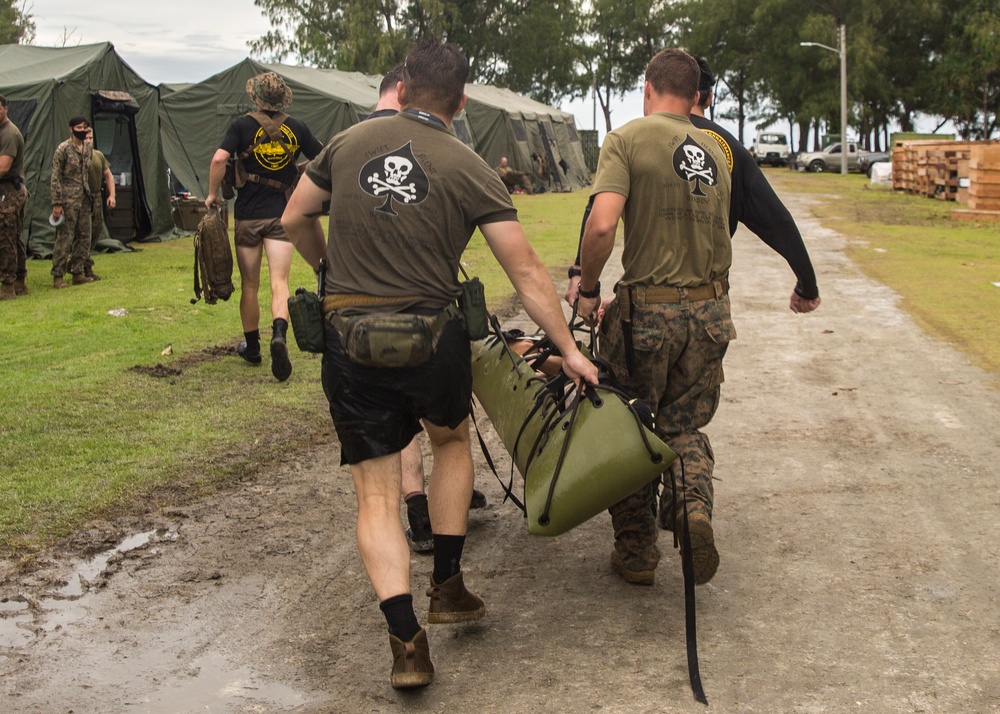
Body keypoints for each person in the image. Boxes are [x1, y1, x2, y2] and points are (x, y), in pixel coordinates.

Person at [281, 38, 598, 690]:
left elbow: (294, 216)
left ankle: (405, 641)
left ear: (400, 90)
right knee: (451, 441)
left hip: (351, 338)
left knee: (375, 493)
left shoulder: (345, 145)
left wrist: (328, 271)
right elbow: (527, 270)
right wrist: (567, 349)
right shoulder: (468, 163)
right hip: (434, 337)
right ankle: (448, 586)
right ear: (459, 100)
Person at [577, 49, 820, 589]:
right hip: (710, 313)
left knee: (628, 421)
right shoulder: (720, 150)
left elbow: (601, 225)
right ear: (697, 97)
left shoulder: (626, 138)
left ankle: (637, 551)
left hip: (647, 312)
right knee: (683, 425)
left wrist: (588, 287)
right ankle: (691, 508)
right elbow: (768, 216)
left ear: (647, 87)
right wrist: (807, 280)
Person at [366, 64, 489, 553]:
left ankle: (420, 508)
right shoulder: (432, 148)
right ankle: (430, 516)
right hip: (422, 309)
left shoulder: (350, 142)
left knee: (398, 420)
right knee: (444, 431)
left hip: (356, 311)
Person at [205, 72, 323, 382]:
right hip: (281, 216)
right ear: (283, 99)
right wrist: (298, 171)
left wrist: (211, 194)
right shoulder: (296, 128)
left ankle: (253, 347)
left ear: (255, 97)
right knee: (279, 282)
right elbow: (324, 158)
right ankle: (279, 336)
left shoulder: (241, 126)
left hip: (248, 217)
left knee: (250, 285)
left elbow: (219, 160)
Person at [50, 116, 95, 289]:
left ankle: (77, 272)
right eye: (78, 127)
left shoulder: (87, 148)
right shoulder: (63, 149)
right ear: (71, 129)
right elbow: (55, 177)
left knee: (84, 236)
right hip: (67, 200)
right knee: (64, 238)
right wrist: (57, 203)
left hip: (84, 198)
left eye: (84, 127)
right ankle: (58, 275)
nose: (82, 130)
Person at [0, 93, 28, 300]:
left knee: (7, 238)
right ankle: (19, 280)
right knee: (13, 236)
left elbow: (3, 167)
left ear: (5, 108)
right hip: (5, 191)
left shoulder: (9, 133)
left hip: (9, 191)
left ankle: (8, 285)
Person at [83, 127, 116, 281]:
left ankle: (86, 265)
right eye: (86, 138)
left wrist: (112, 195)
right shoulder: (74, 155)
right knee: (82, 233)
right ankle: (78, 266)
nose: (88, 141)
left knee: (96, 230)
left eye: (90, 138)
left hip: (96, 197)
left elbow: (108, 175)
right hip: (80, 196)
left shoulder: (99, 156)